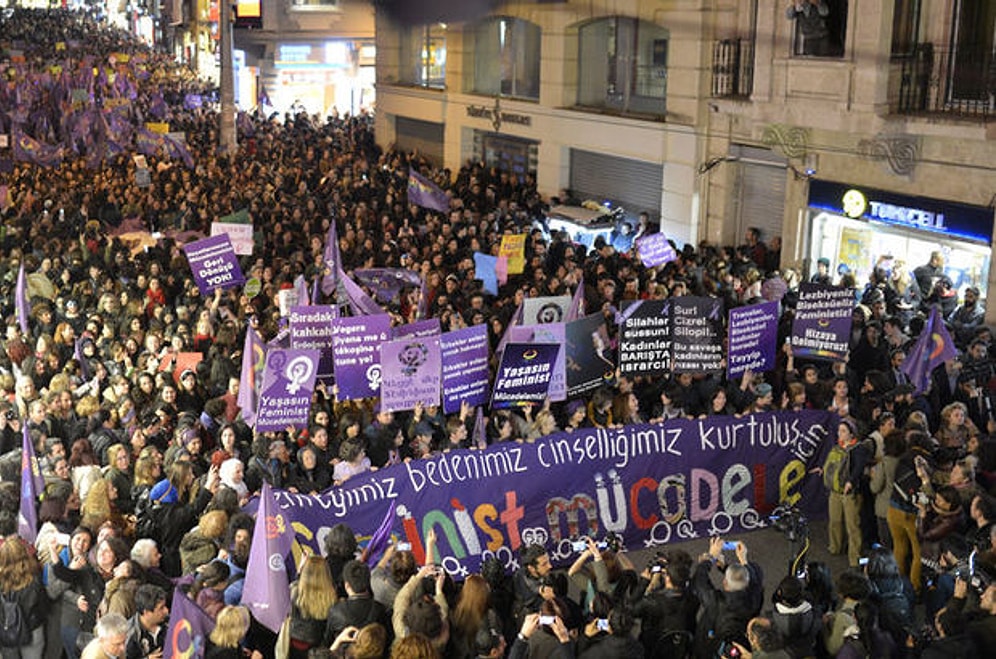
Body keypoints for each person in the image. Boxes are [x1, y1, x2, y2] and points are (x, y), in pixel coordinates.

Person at [821, 418, 872, 566]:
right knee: (834, 521)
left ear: (851, 434)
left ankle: (855, 558)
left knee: (852, 525)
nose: (839, 433)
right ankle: (835, 546)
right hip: (835, 491)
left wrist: (850, 482)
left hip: (850, 493)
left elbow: (858, 468)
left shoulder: (859, 449)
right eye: (839, 430)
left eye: (843, 431)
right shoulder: (838, 447)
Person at [288, 556, 339, 659]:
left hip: (294, 643)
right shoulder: (332, 596)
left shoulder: (295, 591)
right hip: (317, 645)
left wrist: (299, 571)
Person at [125, 584, 168, 659]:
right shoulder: (129, 635)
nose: (166, 611)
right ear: (146, 612)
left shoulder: (169, 623)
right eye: (161, 608)